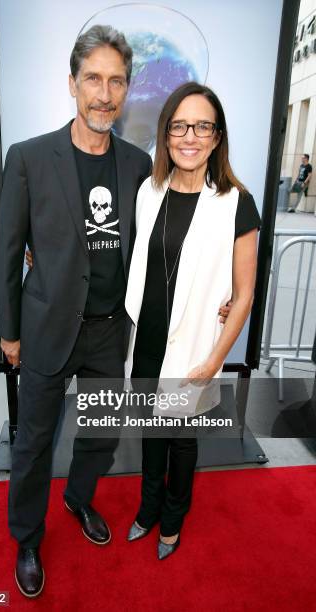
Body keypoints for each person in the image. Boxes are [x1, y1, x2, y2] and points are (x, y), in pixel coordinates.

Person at [0, 25, 153, 598]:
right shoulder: (30, 158)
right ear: (72, 83)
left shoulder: (140, 165)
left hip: (111, 331)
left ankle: (79, 499)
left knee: (100, 437)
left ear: (126, 90)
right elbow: (9, 251)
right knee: (34, 441)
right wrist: (8, 331)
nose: (103, 94)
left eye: (115, 81)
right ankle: (28, 538)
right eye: (93, 79)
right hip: (44, 327)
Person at [124, 82, 261, 560]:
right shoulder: (148, 190)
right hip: (147, 341)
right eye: (180, 125)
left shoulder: (236, 203)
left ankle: (172, 522)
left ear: (217, 137)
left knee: (182, 440)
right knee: (150, 431)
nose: (190, 136)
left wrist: (214, 360)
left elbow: (243, 295)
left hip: (198, 348)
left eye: (203, 126)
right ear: (165, 135)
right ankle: (147, 508)